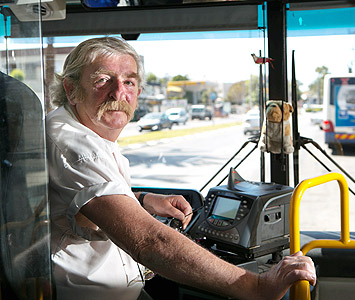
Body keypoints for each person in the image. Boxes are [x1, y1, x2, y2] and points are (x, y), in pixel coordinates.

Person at [46, 36, 316, 300]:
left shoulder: (86, 133)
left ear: (138, 92)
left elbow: (85, 204)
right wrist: (256, 287)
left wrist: (142, 199)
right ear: (71, 89)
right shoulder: (77, 146)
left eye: (129, 81)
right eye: (102, 80)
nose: (119, 93)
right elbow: (151, 242)